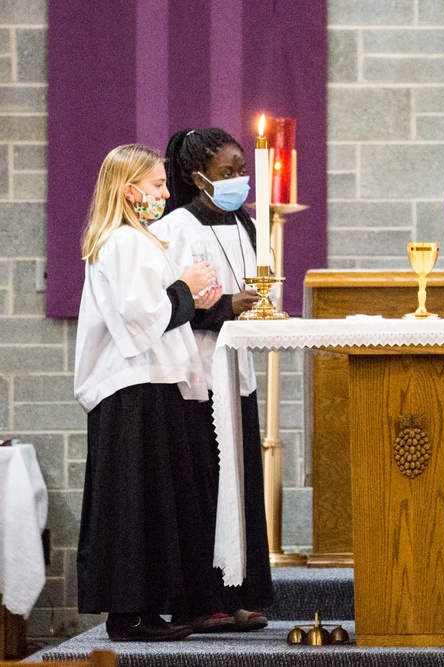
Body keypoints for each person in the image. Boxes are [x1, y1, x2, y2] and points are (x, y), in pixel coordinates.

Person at [74, 144, 221, 641]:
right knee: (132, 501)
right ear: (128, 190)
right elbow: (141, 321)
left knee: (149, 500)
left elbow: (153, 310)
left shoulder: (135, 242)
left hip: (148, 383)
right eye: (157, 185)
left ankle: (144, 610)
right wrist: (184, 286)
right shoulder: (124, 243)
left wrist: (190, 295)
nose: (164, 193)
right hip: (131, 386)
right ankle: (128, 614)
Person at [152, 128, 273, 632]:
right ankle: (199, 601)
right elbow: (169, 299)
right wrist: (227, 306)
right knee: (204, 485)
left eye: (242, 170)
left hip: (235, 370)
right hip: (196, 372)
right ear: (197, 176)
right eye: (228, 173)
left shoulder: (244, 221)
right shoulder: (177, 224)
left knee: (239, 484)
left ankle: (237, 591)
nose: (239, 180)